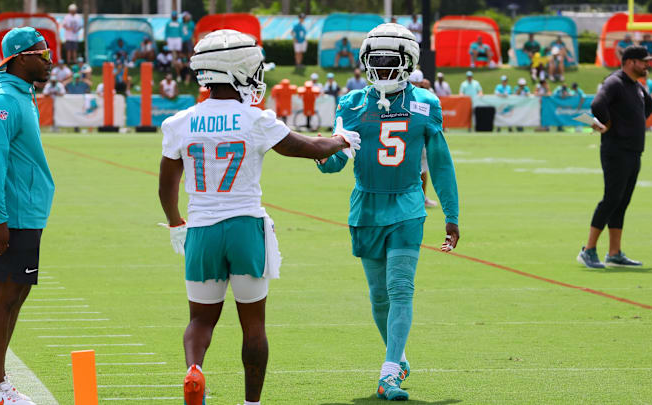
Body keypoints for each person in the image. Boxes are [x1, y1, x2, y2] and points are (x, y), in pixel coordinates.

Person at [158, 29, 360, 405]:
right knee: (253, 326)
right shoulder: (254, 119)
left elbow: (166, 184)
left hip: (201, 229)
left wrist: (175, 222)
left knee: (200, 320)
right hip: (245, 228)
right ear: (236, 71)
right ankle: (252, 403)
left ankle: (194, 369)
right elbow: (307, 147)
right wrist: (341, 140)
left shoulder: (179, 122)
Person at [316, 23, 459, 401]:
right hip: (366, 205)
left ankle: (389, 372)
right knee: (379, 295)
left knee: (400, 288)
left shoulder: (426, 103)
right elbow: (334, 165)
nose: (381, 68)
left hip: (408, 204)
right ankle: (399, 357)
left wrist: (451, 213)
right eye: (375, 60)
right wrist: (324, 151)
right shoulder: (350, 103)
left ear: (408, 61)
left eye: (389, 60)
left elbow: (441, 164)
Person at [0, 26, 55, 405]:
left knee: (15, 295)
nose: (50, 61)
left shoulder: (22, 93)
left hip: (26, 213)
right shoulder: (4, 98)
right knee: (2, 296)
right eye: (43, 54)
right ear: (21, 57)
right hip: (10, 216)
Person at [578, 45, 652, 269]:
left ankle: (614, 252)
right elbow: (597, 104)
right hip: (616, 150)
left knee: (622, 202)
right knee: (611, 198)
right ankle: (588, 250)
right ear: (630, 62)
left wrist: (630, 123)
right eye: (644, 61)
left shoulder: (635, 86)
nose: (647, 65)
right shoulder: (615, 82)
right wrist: (608, 125)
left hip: (633, 150)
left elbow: (649, 106)